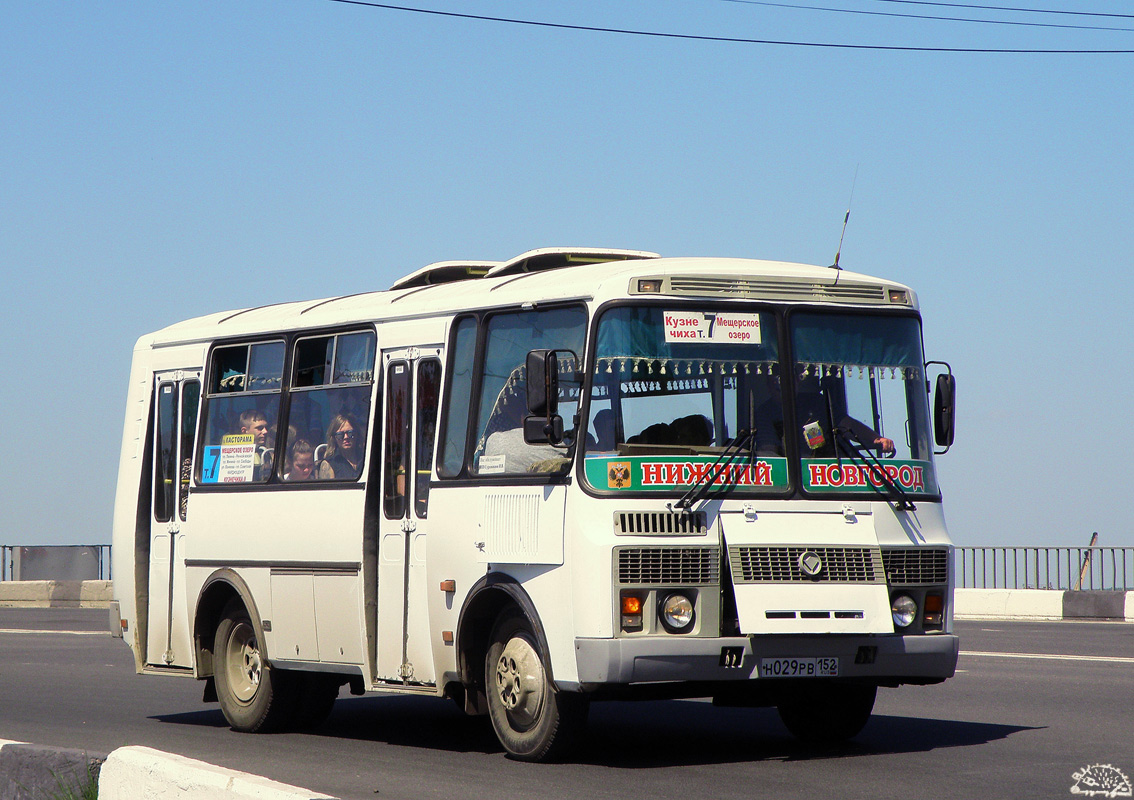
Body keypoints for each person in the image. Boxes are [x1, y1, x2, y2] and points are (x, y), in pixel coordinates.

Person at [756, 371, 893, 458]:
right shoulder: (763, 414)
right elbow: (769, 453)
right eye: (777, 381)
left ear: (798, 380)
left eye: (790, 379)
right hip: (790, 482)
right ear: (768, 385)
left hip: (828, 474)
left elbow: (847, 426)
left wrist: (876, 439)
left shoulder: (817, 403)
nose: (783, 385)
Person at [317, 414, 364, 479]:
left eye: (350, 433)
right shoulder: (329, 464)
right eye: (340, 435)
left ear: (356, 434)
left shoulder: (366, 458)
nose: (346, 437)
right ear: (334, 438)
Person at [239, 409, 272, 480]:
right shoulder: (236, 455)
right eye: (259, 428)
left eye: (266, 427)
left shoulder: (266, 451)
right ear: (244, 431)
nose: (265, 431)